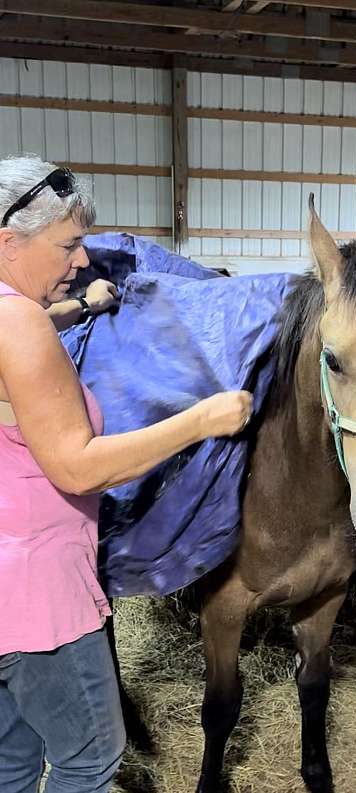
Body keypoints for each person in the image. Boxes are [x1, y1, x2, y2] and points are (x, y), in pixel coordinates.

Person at [0, 155, 253, 793]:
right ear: (8, 241)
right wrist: (201, 420)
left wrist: (76, 309)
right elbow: (77, 467)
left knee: (11, 762)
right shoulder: (19, 323)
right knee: (89, 762)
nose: (82, 259)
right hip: (40, 597)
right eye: (69, 244)